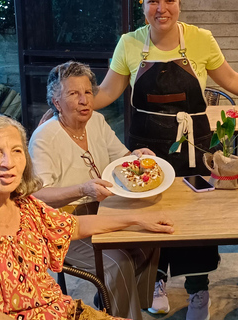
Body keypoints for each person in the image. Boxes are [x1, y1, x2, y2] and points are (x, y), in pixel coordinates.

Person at [90, 1, 238, 319]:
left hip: (194, 146)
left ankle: (199, 290)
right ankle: (156, 282)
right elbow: (105, 92)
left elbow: (229, 78)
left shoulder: (201, 39)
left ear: (180, 4)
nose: (162, 8)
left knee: (197, 220)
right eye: (153, 0)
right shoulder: (129, 44)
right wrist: (70, 102)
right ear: (142, 4)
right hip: (146, 148)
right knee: (151, 217)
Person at [0, 114, 174, 320]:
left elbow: (75, 226)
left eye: (16, 150)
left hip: (63, 311)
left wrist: (137, 219)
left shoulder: (25, 206)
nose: (9, 162)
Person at [28, 61, 161, 320]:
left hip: (104, 212)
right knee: (118, 264)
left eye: (88, 92)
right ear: (56, 102)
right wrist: (82, 188)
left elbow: (122, 156)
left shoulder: (97, 122)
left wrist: (137, 154)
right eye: (73, 93)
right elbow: (37, 196)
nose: (84, 100)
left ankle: (119, 305)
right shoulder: (45, 137)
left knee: (150, 241)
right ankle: (123, 315)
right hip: (63, 225)